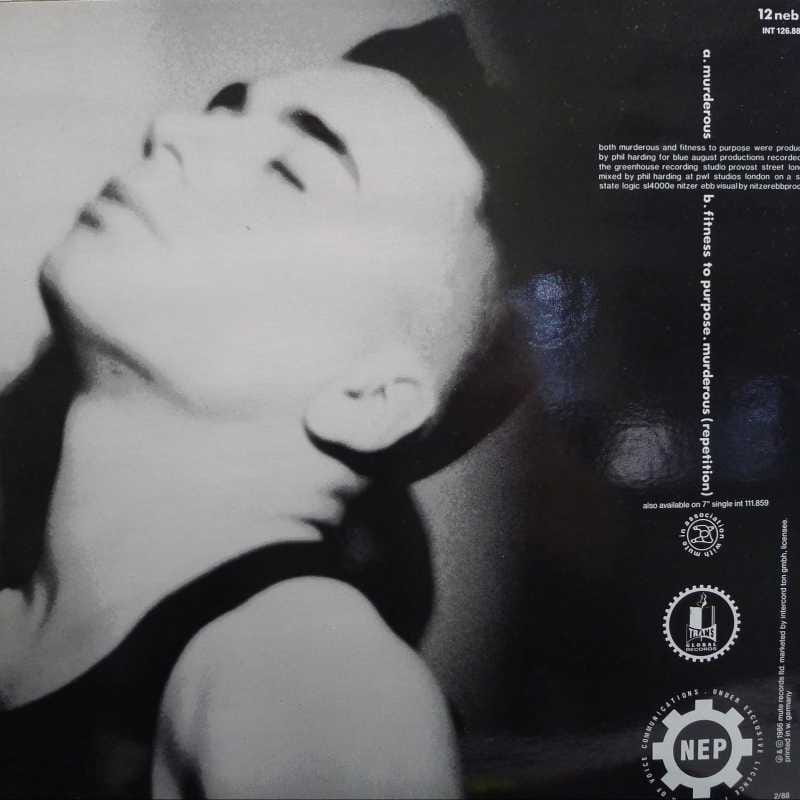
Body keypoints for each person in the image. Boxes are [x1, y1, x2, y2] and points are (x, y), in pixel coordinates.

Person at [0, 14, 529, 799]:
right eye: (221, 111)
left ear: (369, 396)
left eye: (290, 171)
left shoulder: (306, 677)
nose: (172, 130)